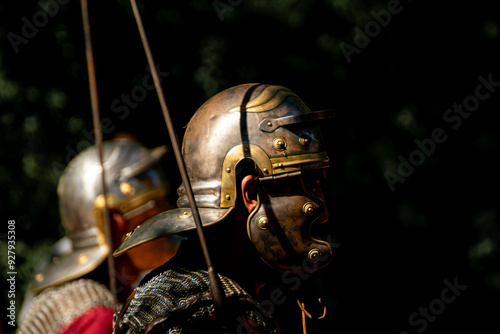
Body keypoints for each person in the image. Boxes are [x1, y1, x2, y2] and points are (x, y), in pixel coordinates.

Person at [113, 83, 335, 334]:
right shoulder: (198, 318)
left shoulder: (241, 299)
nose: (324, 213)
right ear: (251, 194)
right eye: (311, 186)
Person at [18, 138, 180, 334]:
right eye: (157, 205)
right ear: (115, 224)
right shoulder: (96, 318)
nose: (169, 213)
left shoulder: (92, 297)